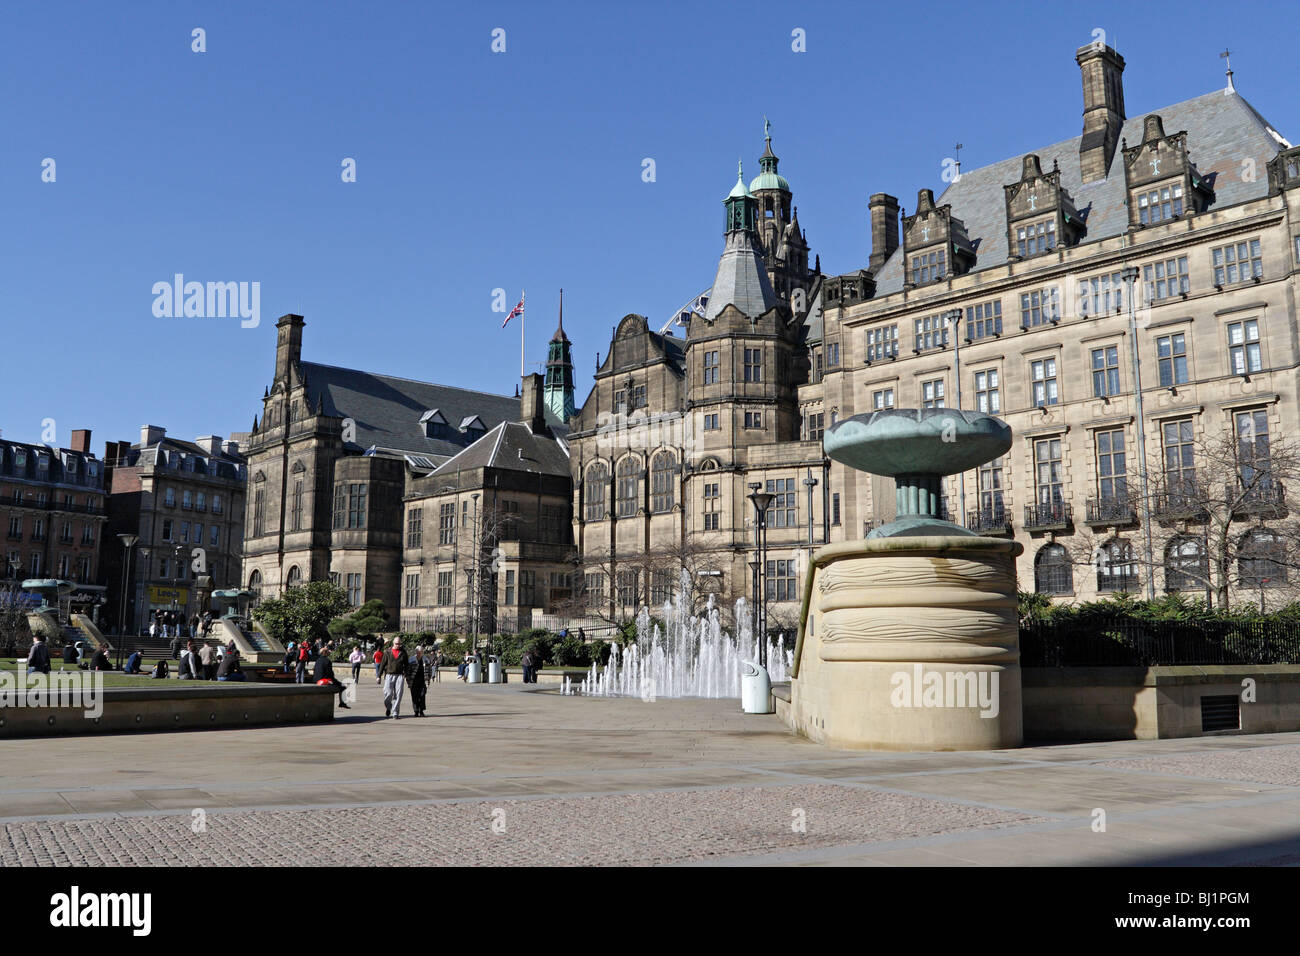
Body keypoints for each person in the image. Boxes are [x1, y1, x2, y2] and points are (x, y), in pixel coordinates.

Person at [313, 642, 350, 709]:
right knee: (343, 687)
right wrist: (334, 680)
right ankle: (342, 702)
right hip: (324, 680)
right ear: (324, 653)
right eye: (327, 651)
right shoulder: (327, 661)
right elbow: (329, 673)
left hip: (316, 679)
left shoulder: (317, 660)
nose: (329, 652)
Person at [382, 637, 409, 719]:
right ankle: (388, 707)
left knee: (398, 694)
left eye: (399, 644)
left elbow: (407, 664)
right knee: (388, 693)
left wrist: (406, 674)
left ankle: (395, 712)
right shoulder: (387, 652)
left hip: (399, 675)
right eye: (396, 644)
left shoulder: (403, 652)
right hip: (389, 675)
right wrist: (378, 676)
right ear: (393, 643)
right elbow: (382, 664)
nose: (398, 645)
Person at [408, 646, 427, 717]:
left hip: (422, 680)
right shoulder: (411, 660)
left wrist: (428, 680)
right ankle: (416, 711)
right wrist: (408, 680)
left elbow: (429, 670)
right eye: (418, 652)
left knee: (422, 695)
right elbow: (408, 671)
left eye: (421, 652)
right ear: (416, 652)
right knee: (414, 696)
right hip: (413, 681)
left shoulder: (425, 659)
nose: (419, 653)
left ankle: (421, 711)